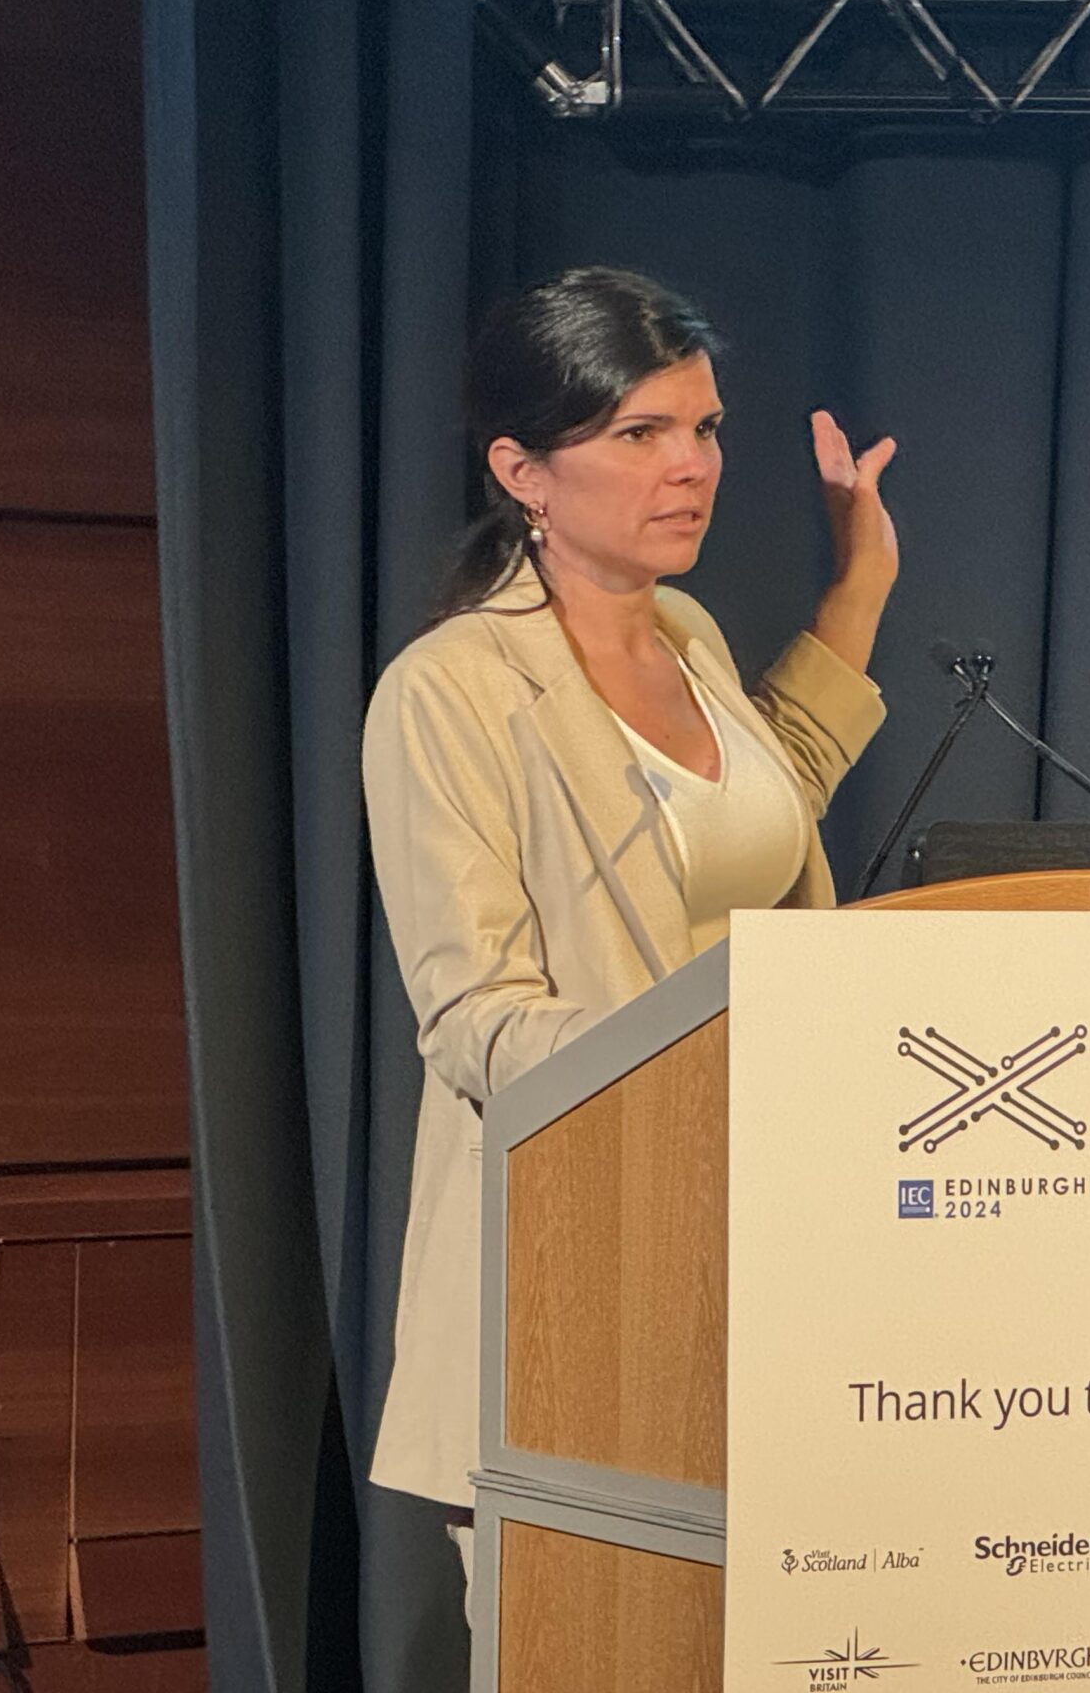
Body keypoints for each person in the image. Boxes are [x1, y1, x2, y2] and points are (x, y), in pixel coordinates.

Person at [360, 267, 898, 1610]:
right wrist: (725, 1051)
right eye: (641, 434)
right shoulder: (449, 692)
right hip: (578, 1278)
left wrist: (863, 580)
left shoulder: (695, 637)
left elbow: (751, 818)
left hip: (766, 1255)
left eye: (705, 429)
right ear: (523, 471)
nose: (692, 467)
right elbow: (478, 1017)